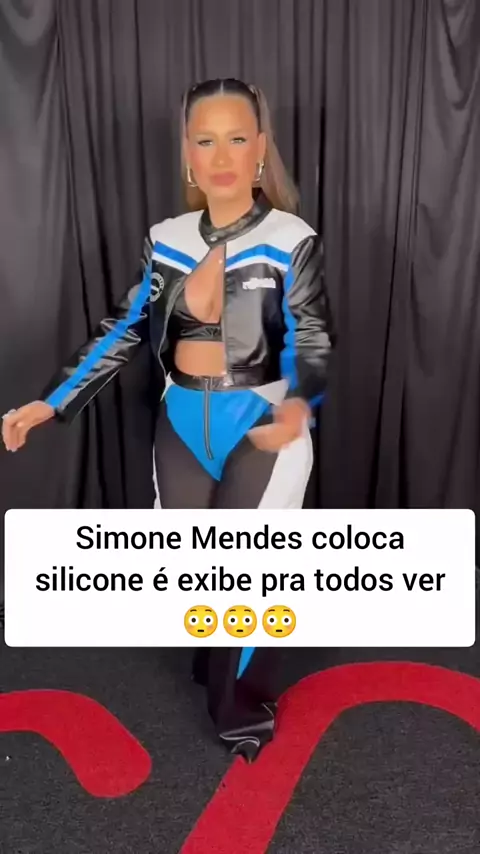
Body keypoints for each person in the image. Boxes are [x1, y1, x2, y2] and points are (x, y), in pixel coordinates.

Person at [2, 77, 334, 761]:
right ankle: (214, 662)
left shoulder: (289, 238)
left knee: (251, 572)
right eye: (205, 140)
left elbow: (312, 336)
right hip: (179, 420)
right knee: (194, 564)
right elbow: (125, 327)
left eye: (236, 138)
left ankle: (240, 714)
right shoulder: (166, 239)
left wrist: (300, 403)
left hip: (261, 422)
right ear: (188, 153)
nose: (222, 156)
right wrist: (52, 401)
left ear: (261, 148)